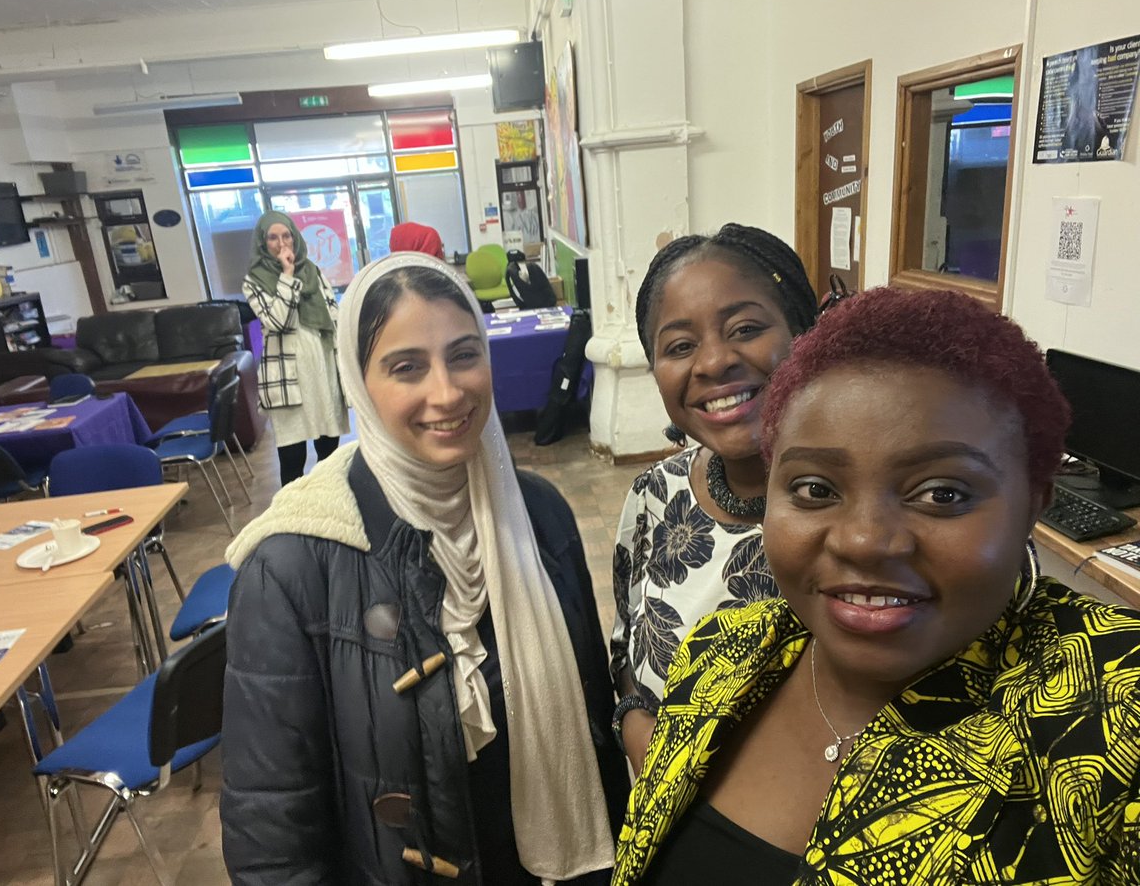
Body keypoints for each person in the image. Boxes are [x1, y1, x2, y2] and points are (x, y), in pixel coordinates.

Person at [613, 287, 1140, 884]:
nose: (863, 541)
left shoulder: (1113, 711)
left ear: (1031, 508)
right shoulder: (720, 654)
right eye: (815, 489)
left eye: (942, 493)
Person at [220, 251, 627, 885]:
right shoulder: (292, 566)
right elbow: (272, 831)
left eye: (465, 355)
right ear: (358, 382)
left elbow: (593, 725)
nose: (448, 391)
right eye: (407, 367)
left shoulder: (539, 516)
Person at [610, 224, 819, 773]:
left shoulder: (864, 517)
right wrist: (636, 726)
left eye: (745, 328)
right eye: (680, 346)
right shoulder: (654, 495)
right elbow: (625, 641)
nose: (712, 362)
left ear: (804, 333)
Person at [242, 210, 348, 486]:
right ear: (263, 243)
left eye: (286, 235)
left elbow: (333, 314)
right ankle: (292, 515)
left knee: (329, 451)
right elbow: (278, 321)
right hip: (287, 375)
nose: (282, 243)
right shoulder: (253, 281)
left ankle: (332, 506)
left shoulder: (313, 270)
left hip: (321, 365)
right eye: (273, 238)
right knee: (292, 458)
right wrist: (287, 275)